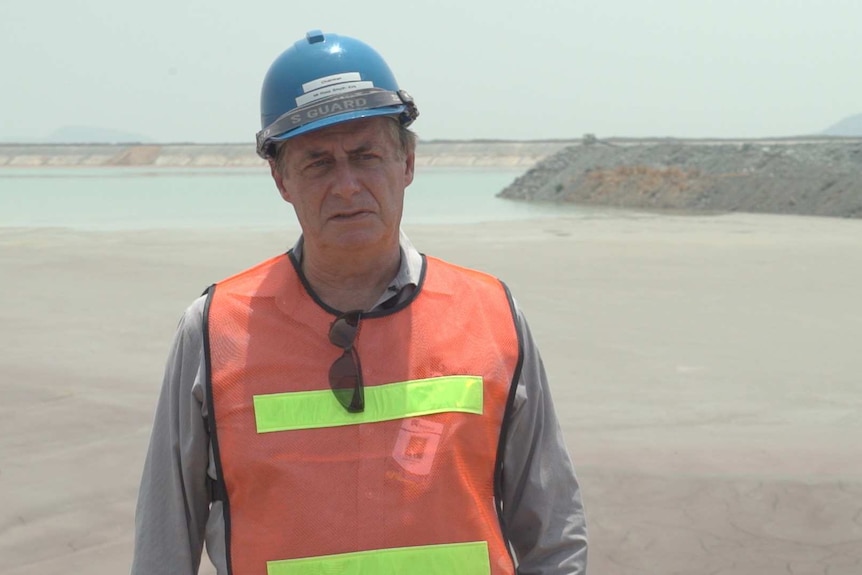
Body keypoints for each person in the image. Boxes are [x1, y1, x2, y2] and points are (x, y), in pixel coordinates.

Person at [132, 30, 588, 575]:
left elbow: (554, 535)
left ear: (408, 162)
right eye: (318, 163)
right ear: (280, 178)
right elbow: (164, 545)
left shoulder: (492, 316)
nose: (347, 185)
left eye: (366, 155)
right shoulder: (215, 330)